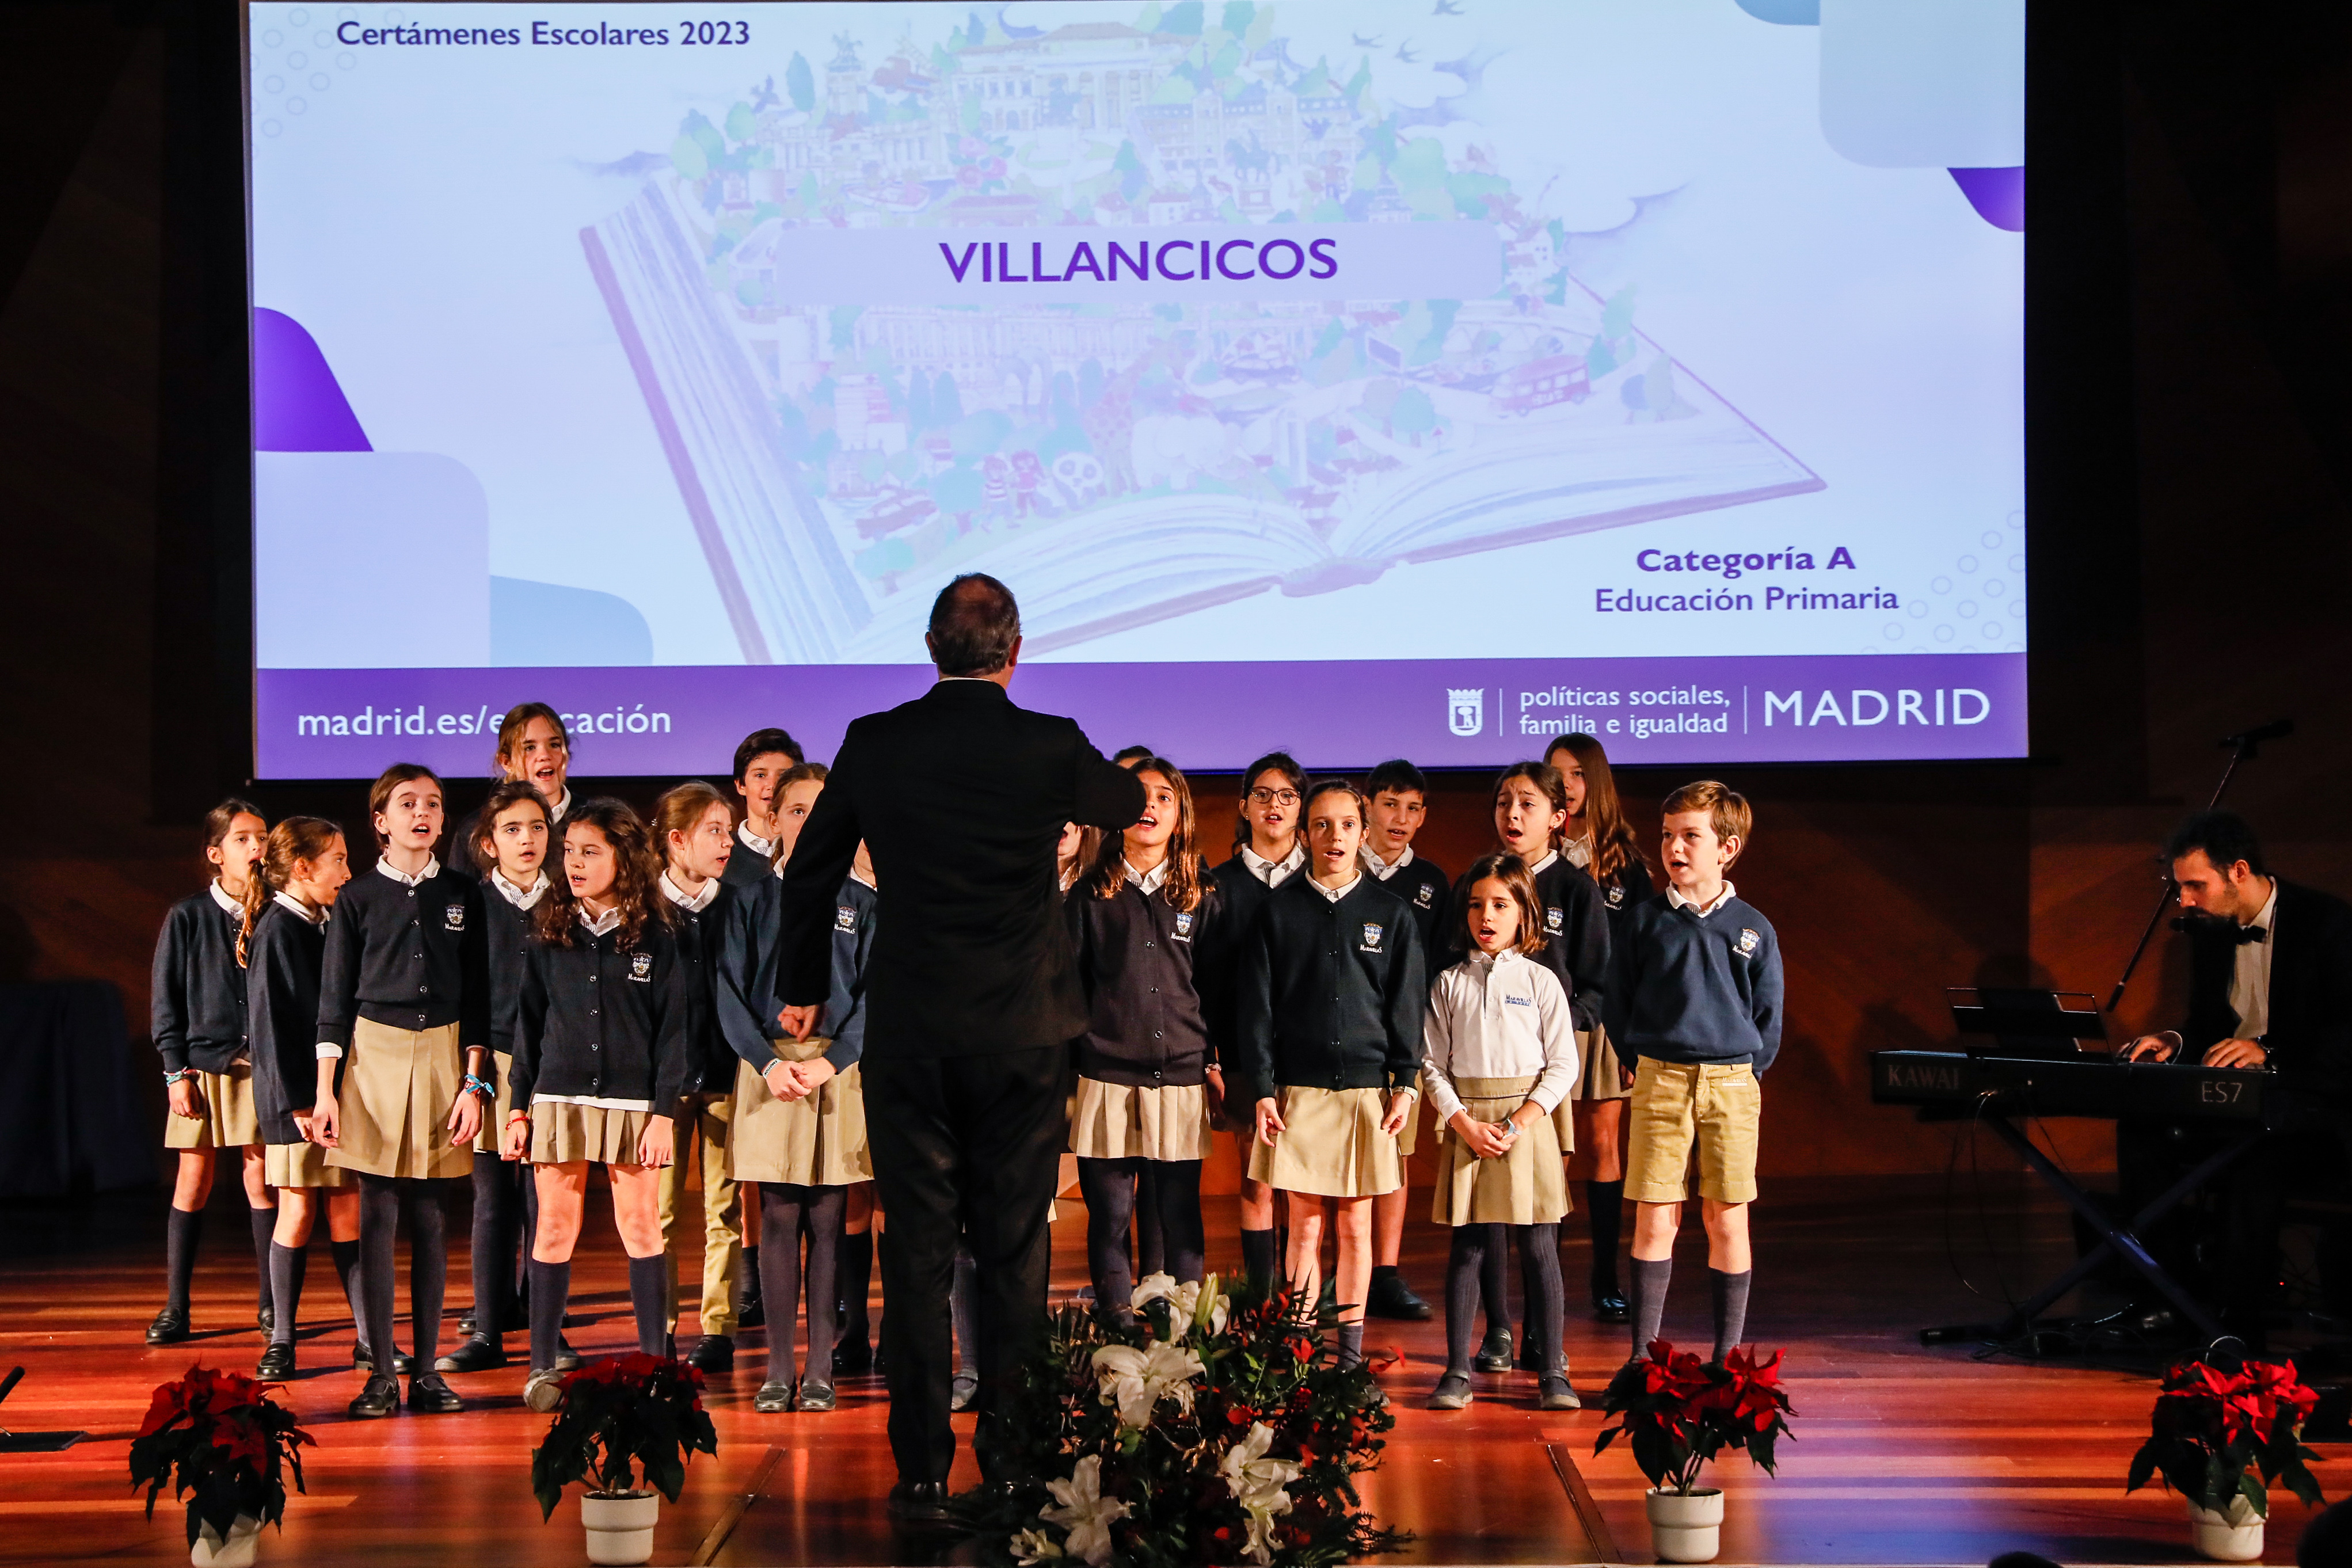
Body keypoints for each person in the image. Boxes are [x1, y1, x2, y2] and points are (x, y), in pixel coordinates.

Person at [771, 573, 1144, 1524]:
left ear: (931, 648)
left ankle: (922, 1472)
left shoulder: (875, 740)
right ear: (1015, 653)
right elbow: (1126, 796)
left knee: (918, 1255)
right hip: (1023, 1033)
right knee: (1014, 1253)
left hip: (912, 1030)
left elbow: (810, 873)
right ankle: (1012, 1466)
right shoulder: (1048, 742)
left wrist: (804, 986)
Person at [2119, 811, 2352, 1347]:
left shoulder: (2328, 923)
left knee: (2255, 1153)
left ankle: (2234, 1321)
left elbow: (2347, 1035)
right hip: (2241, 1102)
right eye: (2179, 888)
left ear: (2239, 872)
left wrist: (2269, 1051)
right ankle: (2170, 1296)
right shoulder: (2213, 931)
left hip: (2314, 1112)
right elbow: (2207, 1027)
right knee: (2140, 1131)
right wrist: (2175, 1042)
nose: (2185, 901)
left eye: (2195, 886)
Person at [314, 764, 490, 1418]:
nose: (422, 813)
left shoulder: (463, 894)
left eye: (433, 804)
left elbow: (480, 998)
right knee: (378, 1213)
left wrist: (473, 1083)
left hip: (444, 1052)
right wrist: (326, 1091)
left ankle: (426, 1373)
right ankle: (381, 1373)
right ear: (381, 821)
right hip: (373, 1056)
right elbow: (333, 1003)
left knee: (432, 1217)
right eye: (407, 803)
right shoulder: (357, 897)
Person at [505, 800, 690, 1411]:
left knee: (640, 1225)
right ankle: (541, 1369)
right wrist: (518, 1108)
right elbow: (527, 1025)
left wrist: (663, 1113)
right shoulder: (547, 929)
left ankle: (657, 1369)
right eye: (570, 852)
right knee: (554, 1227)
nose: (575, 863)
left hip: (635, 1102)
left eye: (590, 851)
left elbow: (673, 1033)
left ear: (624, 858)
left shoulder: (659, 935)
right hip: (558, 1096)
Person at [1238, 779, 1424, 1382]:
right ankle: (1298, 1358)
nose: (1335, 836)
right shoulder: (1278, 911)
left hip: (1368, 1093)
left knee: (1355, 1224)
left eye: (1347, 825)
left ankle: (1347, 1359)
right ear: (1305, 834)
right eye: (1321, 825)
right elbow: (1257, 1010)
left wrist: (1406, 1084)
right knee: (1305, 1225)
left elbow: (1406, 1008)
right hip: (1299, 1091)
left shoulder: (1392, 914)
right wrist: (1262, 1088)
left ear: (1363, 833)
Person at [1605, 780, 1781, 1365]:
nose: (1674, 848)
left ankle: (1728, 1360)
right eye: (1667, 835)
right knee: (1656, 1216)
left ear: (1727, 848)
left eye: (1690, 836)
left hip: (1731, 1085)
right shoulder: (1644, 922)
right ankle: (1642, 1359)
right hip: (1661, 1080)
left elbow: (1768, 1016)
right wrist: (1641, 1062)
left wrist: (1746, 1074)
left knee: (1727, 1218)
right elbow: (1618, 1002)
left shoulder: (1752, 928)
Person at [720, 762, 876, 1413]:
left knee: (830, 1220)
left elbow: (874, 995)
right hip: (769, 1071)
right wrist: (768, 1063)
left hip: (835, 1072)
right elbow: (729, 992)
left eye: (821, 810)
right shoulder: (749, 899)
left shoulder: (861, 903)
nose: (809, 823)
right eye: (796, 810)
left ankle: (819, 1369)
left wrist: (832, 1061)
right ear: (773, 818)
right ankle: (777, 1369)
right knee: (779, 1216)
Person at [1421, 853, 1580, 1412]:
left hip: (1524, 1125)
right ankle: (1457, 1370)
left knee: (1538, 1245)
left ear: (1524, 913)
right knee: (1469, 1246)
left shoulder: (1540, 980)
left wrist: (1519, 1122)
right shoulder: (1448, 984)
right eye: (1476, 905)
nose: (1486, 916)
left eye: (1500, 905)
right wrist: (1463, 1122)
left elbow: (1564, 1064)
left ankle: (1552, 1371)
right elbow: (1432, 1065)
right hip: (1469, 1124)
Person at [1067, 758, 1219, 1321]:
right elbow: (1069, 990)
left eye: (1163, 797)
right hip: (1106, 1077)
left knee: (1179, 1215)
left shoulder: (1203, 894)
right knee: (1110, 1216)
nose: (1149, 806)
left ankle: (1184, 1333)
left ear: (1181, 816)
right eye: (1137, 796)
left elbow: (1216, 987)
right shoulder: (1090, 895)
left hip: (1180, 1077)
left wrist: (1216, 1064)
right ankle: (1118, 1330)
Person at [1478, 761, 1611, 1373]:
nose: (1513, 815)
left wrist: (1561, 1025)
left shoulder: (1576, 889)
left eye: (1527, 804)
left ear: (1558, 817)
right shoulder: (1482, 881)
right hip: (1484, 1068)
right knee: (1488, 1205)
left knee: (1539, 1204)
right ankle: (1497, 1330)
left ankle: (1541, 1331)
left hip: (1546, 1073)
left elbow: (1597, 984)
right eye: (1504, 802)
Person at [147, 800, 276, 1346]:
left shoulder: (276, 911)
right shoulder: (188, 916)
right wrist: (175, 1072)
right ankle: (177, 1306)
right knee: (193, 1179)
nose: (257, 848)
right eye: (243, 839)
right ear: (215, 854)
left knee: (260, 1178)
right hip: (202, 1068)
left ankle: (272, 1304)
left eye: (262, 837)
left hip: (259, 1067)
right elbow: (166, 1000)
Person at [442, 781, 554, 1375]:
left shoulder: (566, 903)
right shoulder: (473, 905)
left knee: (545, 1201)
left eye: (537, 827)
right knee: (493, 1201)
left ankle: (546, 1331)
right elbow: (466, 998)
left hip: (554, 1065)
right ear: (489, 844)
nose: (527, 839)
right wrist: (474, 1078)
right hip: (491, 1064)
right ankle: (488, 1331)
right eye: (512, 830)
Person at [242, 816, 361, 1380]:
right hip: (298, 1102)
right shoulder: (278, 930)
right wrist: (299, 1103)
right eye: (338, 860)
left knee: (348, 1209)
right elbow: (272, 1027)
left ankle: (370, 1339)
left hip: (333, 1094)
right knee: (296, 1210)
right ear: (303, 867)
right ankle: (282, 1341)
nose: (348, 871)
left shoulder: (326, 922)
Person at [1546, 733, 1655, 1324]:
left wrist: (1633, 1037)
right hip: (1543, 1023)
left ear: (1596, 782)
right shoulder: (1534, 854)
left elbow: (1640, 959)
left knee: (1602, 1145)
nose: (1564, 786)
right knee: (1552, 1147)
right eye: (1555, 774)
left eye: (1575, 775)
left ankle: (1606, 1279)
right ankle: (1546, 1277)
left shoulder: (1626, 866)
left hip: (1605, 1024)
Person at [1204, 751, 1308, 1296]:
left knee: (1306, 1188)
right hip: (1243, 1054)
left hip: (1310, 1056)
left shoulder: (1321, 881)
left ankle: (1301, 1302)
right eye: (1263, 795)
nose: (1275, 805)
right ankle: (1262, 1300)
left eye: (1287, 796)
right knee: (1258, 1178)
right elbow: (1202, 980)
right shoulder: (1215, 885)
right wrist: (1211, 1058)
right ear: (1243, 806)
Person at [651, 781, 746, 1374]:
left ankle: (718, 1327)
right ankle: (658, 1326)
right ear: (677, 840)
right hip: (661, 1088)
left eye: (730, 832)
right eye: (715, 831)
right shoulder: (643, 908)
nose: (727, 842)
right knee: (658, 1214)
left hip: (724, 1075)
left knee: (724, 1210)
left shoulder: (737, 904)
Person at [1360, 758, 1450, 1323]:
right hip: (1344, 1038)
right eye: (1390, 804)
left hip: (1404, 1043)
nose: (1400, 818)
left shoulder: (1432, 883)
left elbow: (1440, 968)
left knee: (1395, 1152)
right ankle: (1337, 1272)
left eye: (1412, 808)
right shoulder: (1341, 867)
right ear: (1367, 807)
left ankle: (1385, 1274)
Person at [447, 703, 574, 878]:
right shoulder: (475, 829)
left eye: (554, 745)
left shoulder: (593, 821)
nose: (545, 756)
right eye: (530, 748)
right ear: (507, 762)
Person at [720, 728, 806, 893]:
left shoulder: (812, 851)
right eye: (760, 775)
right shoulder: (720, 852)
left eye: (783, 776)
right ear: (741, 785)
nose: (772, 785)